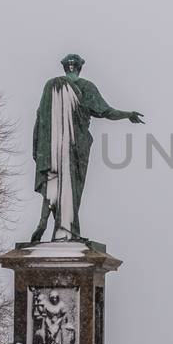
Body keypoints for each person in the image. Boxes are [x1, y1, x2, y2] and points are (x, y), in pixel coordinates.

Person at [30, 53, 145, 243]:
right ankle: (67, 231)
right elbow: (106, 111)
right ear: (80, 68)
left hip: (51, 146)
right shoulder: (85, 87)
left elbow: (40, 118)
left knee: (54, 180)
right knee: (71, 187)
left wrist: (39, 146)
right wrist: (128, 114)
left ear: (65, 67)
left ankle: (45, 222)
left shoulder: (51, 86)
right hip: (76, 146)